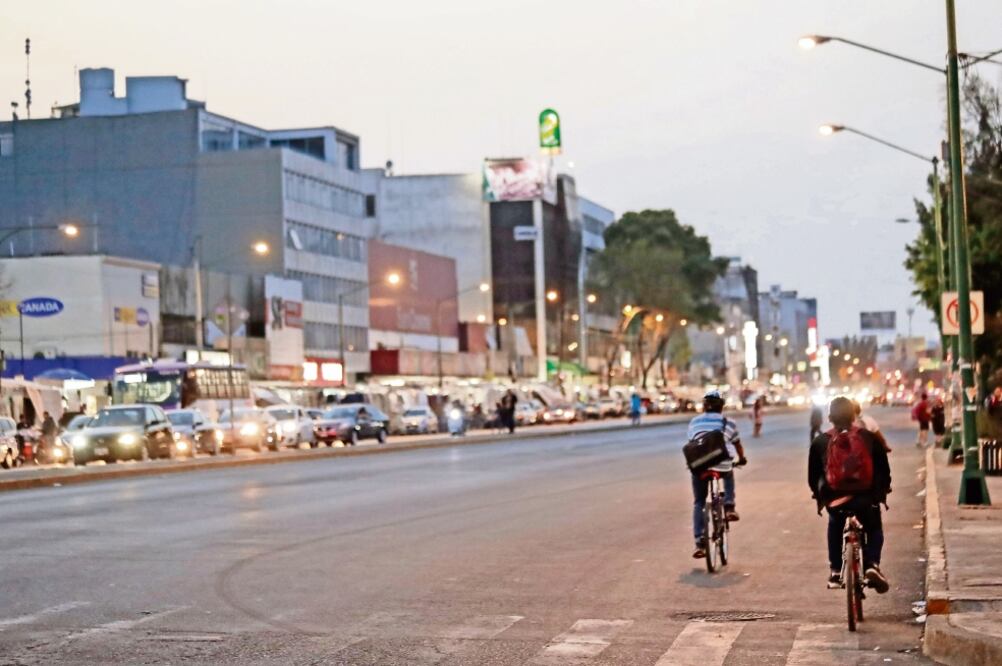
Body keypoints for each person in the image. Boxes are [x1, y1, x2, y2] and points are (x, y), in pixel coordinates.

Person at [808, 396, 892, 593]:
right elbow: (883, 471)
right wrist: (881, 492)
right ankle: (872, 564)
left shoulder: (820, 442)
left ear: (830, 418)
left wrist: (820, 497)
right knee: (874, 528)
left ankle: (836, 570)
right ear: (854, 415)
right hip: (865, 498)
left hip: (835, 499)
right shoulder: (868, 438)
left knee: (835, 525)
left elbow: (813, 477)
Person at [688, 390, 747, 559]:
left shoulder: (694, 422)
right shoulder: (728, 422)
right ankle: (729, 507)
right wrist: (742, 459)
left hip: (699, 465)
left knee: (699, 501)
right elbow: (737, 445)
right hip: (721, 463)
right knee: (728, 473)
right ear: (722, 407)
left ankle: (699, 542)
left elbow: (692, 441)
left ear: (704, 407)